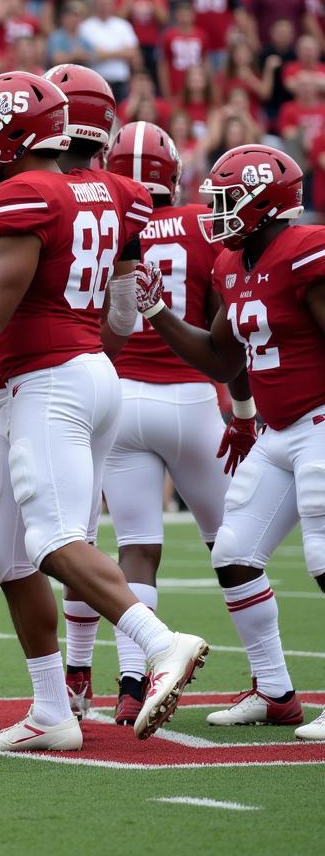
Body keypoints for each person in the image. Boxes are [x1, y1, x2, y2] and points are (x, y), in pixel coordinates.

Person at [0, 70, 210, 744]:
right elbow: (120, 316)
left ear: (24, 130)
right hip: (75, 376)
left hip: (48, 383)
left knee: (54, 540)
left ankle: (159, 642)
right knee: (8, 557)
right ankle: (53, 711)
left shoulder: (22, 193)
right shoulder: (120, 194)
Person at [133, 143, 325, 742]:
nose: (215, 211)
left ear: (265, 203)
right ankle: (275, 692)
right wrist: (160, 311)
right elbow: (222, 358)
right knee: (235, 551)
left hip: (320, 421)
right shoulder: (229, 264)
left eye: (226, 198)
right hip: (279, 429)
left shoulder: (305, 252)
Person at [78, 121, 266, 725]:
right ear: (174, 172)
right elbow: (225, 335)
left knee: (136, 550)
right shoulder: (201, 227)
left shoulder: (101, 216)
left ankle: (134, 683)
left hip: (122, 399)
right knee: (233, 546)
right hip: (191, 400)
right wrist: (242, 410)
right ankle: (273, 681)